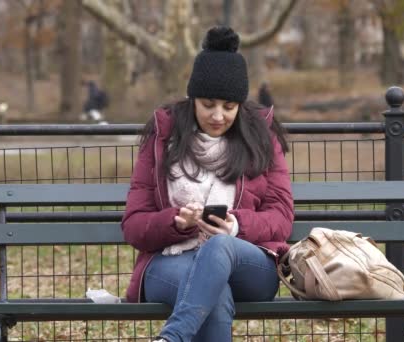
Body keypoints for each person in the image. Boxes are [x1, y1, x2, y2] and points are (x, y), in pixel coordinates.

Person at [121, 26, 294, 342]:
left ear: (240, 105)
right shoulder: (163, 138)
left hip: (248, 262)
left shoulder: (261, 139)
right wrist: (176, 222)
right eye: (208, 104)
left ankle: (172, 338)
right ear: (192, 99)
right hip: (170, 262)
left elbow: (281, 217)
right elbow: (133, 225)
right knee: (213, 295)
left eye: (229, 107)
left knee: (218, 245)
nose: (218, 116)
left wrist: (235, 227)